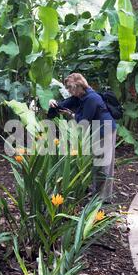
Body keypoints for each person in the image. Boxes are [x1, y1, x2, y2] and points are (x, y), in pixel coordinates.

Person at [48, 72, 117, 203]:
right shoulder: (80, 97)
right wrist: (53, 103)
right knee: (97, 163)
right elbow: (63, 104)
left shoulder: (92, 98)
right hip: (96, 129)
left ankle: (103, 199)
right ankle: (97, 196)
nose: (68, 91)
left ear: (78, 85)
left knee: (103, 164)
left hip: (105, 130)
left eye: (70, 87)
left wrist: (70, 114)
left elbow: (83, 120)